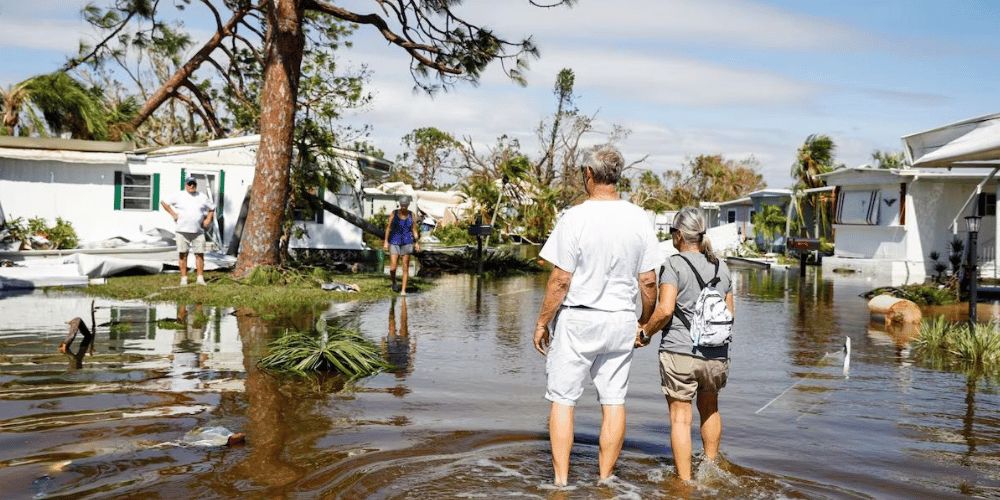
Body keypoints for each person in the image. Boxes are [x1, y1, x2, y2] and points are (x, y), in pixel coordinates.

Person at [533, 145, 661, 486]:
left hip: (578, 320)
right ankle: (605, 481)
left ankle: (561, 483)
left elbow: (560, 280)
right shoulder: (639, 218)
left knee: (563, 400)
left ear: (588, 175)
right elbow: (648, 281)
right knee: (614, 401)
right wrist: (644, 323)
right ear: (616, 176)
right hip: (620, 319)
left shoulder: (574, 218)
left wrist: (542, 322)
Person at [636, 206, 735, 482]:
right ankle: (710, 470)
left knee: (681, 419)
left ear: (679, 235)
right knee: (710, 409)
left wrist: (645, 333)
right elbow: (731, 315)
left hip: (680, 351)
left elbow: (665, 309)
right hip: (717, 355)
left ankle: (685, 483)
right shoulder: (721, 266)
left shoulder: (674, 264)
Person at [161, 176, 216, 286]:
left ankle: (200, 278)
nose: (192, 186)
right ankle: (184, 279)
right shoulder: (179, 195)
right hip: (182, 230)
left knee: (199, 254)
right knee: (183, 254)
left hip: (198, 231)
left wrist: (208, 219)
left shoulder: (202, 196)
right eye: (189, 184)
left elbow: (212, 208)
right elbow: (164, 202)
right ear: (186, 185)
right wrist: (173, 214)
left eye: (193, 184)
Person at [383, 196, 420, 295]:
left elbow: (414, 229)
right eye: (402, 205)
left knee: (405, 267)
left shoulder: (412, 215)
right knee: (393, 267)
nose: (403, 207)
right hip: (394, 242)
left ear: (408, 205)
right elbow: (388, 228)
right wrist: (386, 241)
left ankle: (403, 290)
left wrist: (417, 242)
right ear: (400, 205)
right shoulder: (394, 214)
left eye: (405, 205)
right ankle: (394, 282)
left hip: (407, 242)